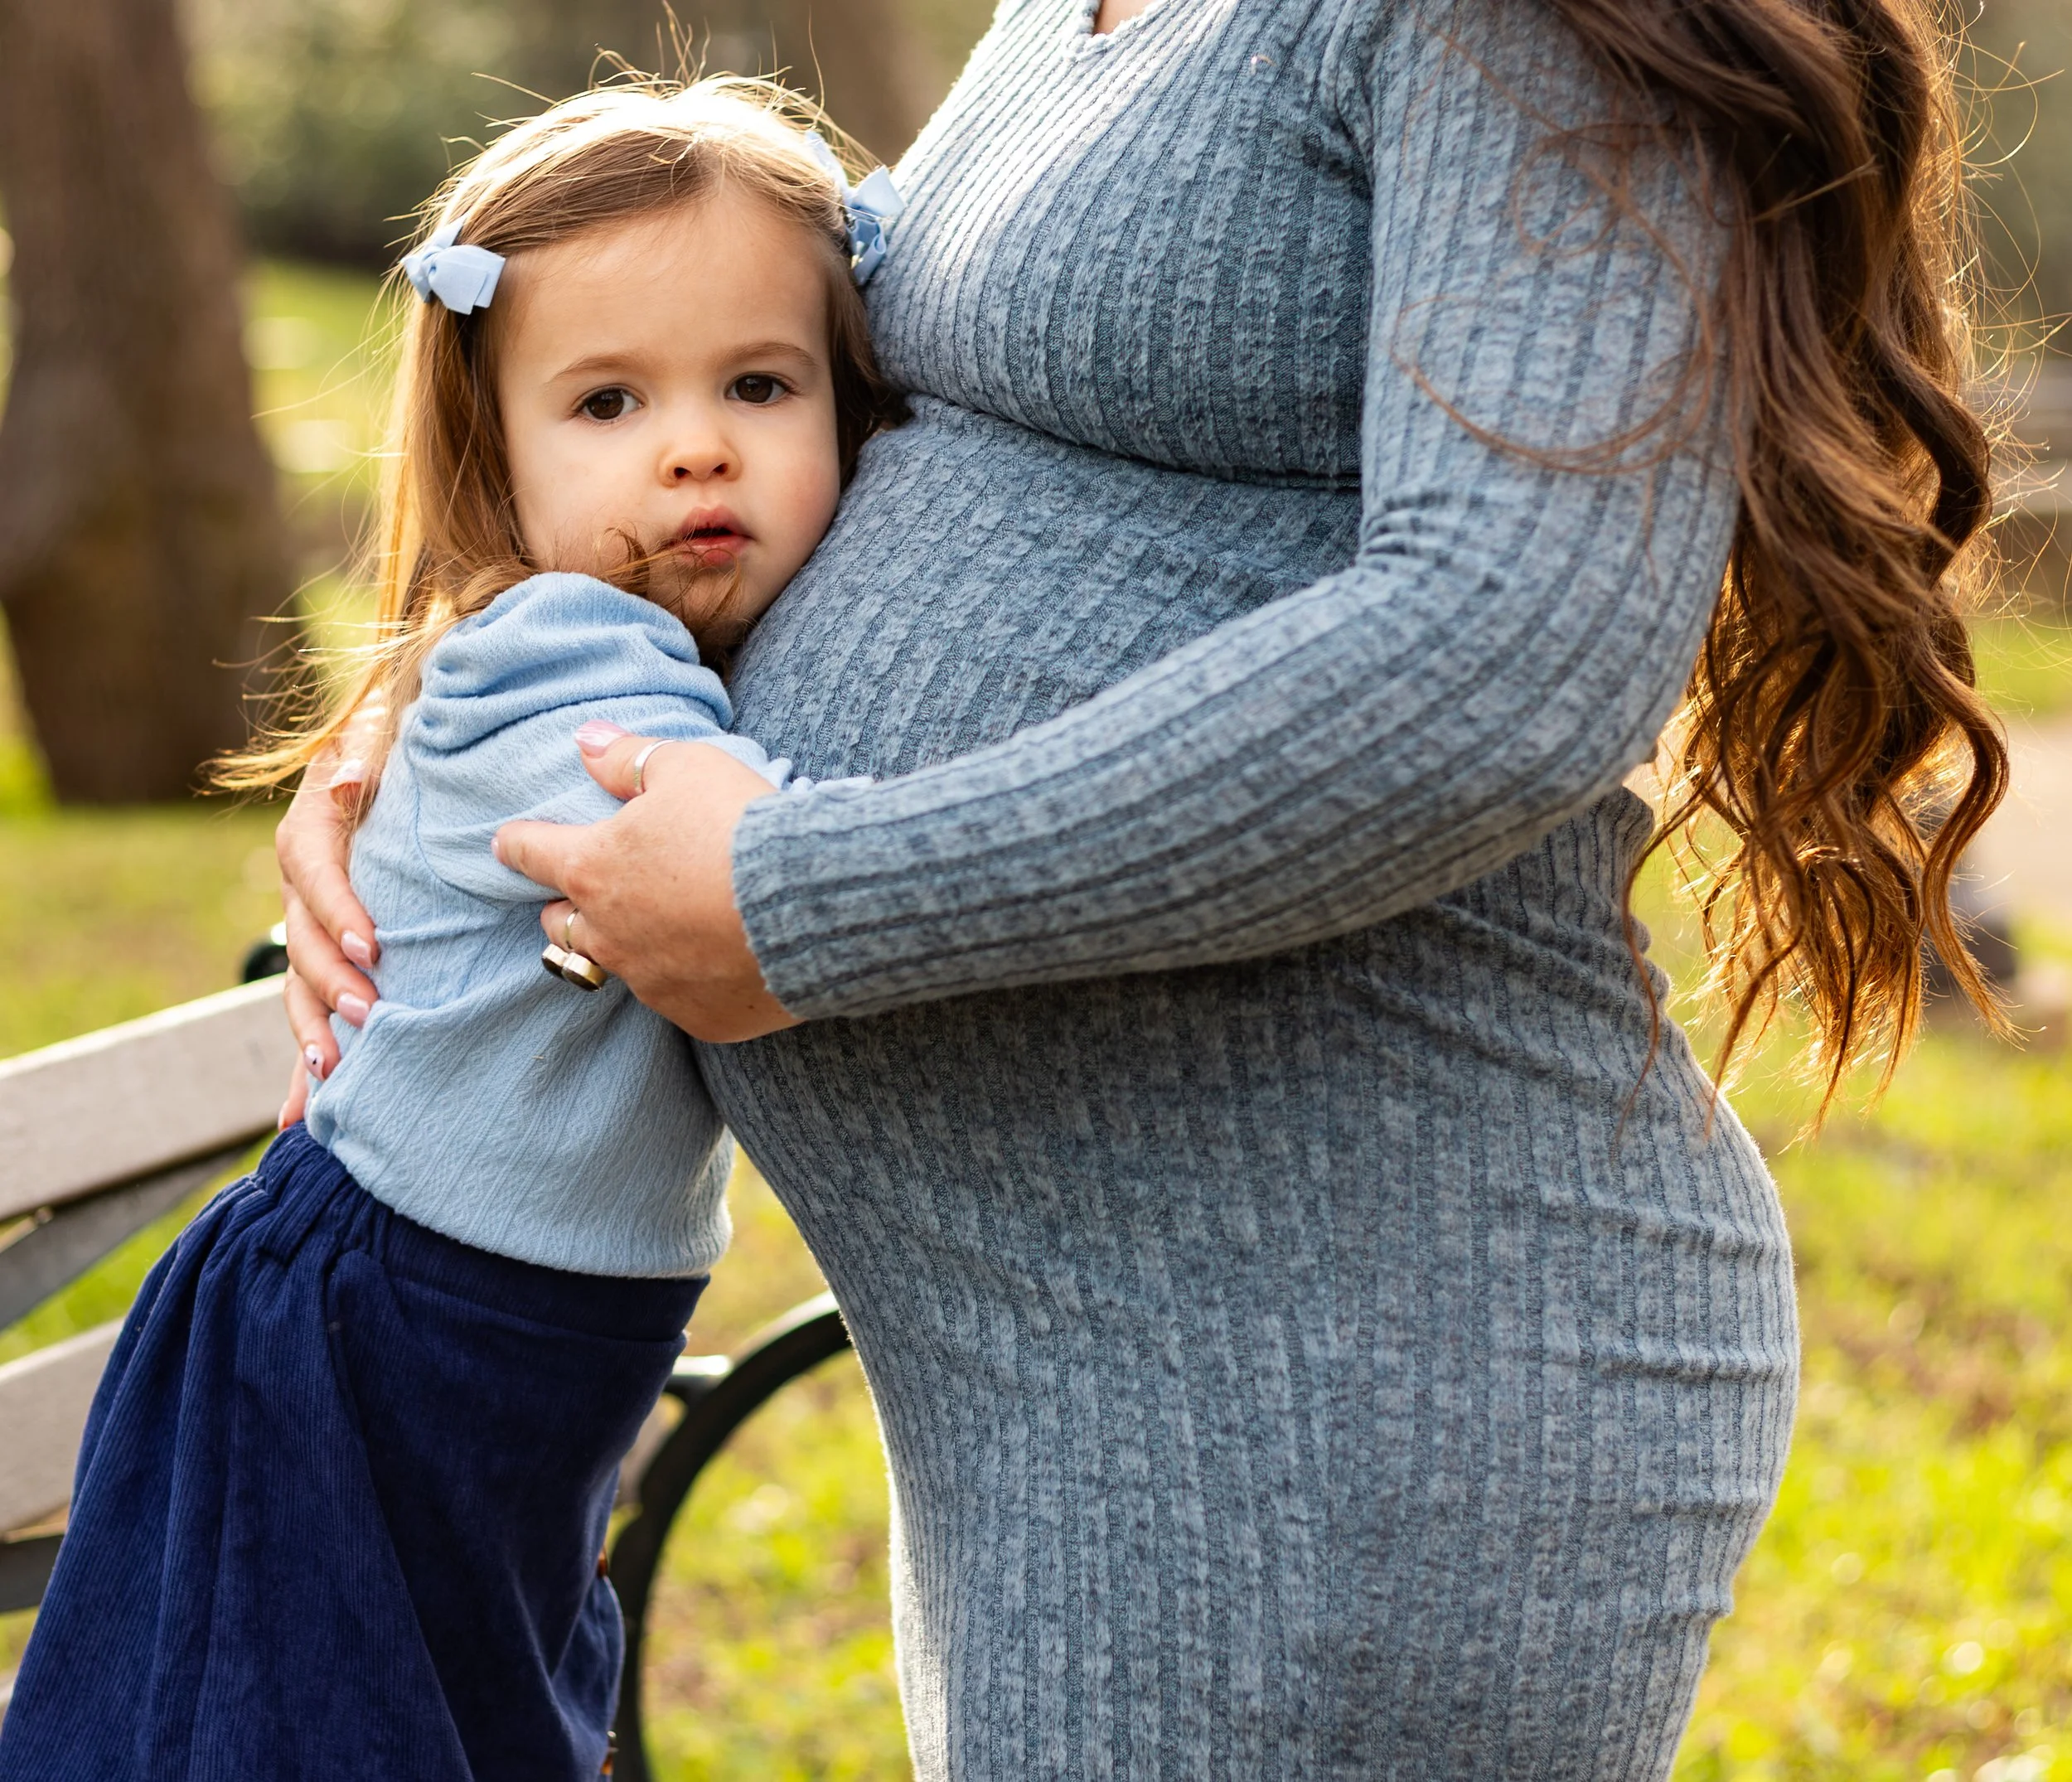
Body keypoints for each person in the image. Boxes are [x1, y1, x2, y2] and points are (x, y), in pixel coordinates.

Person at [278, 0, 2009, 1770]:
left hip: (1350, 1364)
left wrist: (805, 900)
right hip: (1055, 1385)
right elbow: (778, 377)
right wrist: (425, 735)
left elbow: (1508, 652)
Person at [0, 80, 904, 1782]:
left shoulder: (632, 639)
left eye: (760, 387)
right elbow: (769, 859)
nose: (695, 444)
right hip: (378, 1329)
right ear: (500, 454)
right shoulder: (563, 645)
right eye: (611, 400)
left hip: (512, 1339)